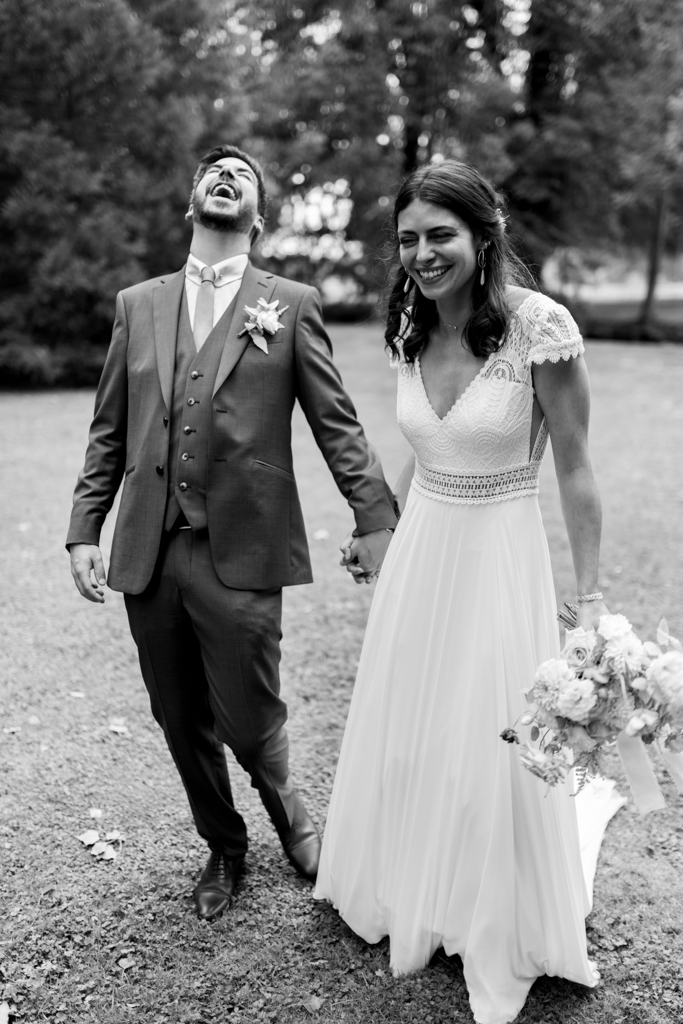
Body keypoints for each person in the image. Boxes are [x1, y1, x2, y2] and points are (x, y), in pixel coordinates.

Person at [314, 160, 623, 1024]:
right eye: (407, 239)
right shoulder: (412, 325)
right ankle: (406, 881)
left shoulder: (539, 327)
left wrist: (589, 601)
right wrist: (383, 530)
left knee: (487, 735)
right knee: (415, 723)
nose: (421, 253)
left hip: (497, 559)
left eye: (438, 235)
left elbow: (576, 466)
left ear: (483, 235)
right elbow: (433, 447)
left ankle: (488, 910)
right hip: (421, 557)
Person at [66, 144, 397, 921]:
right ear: (192, 203)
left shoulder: (291, 302)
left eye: (243, 175)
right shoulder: (135, 305)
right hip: (149, 548)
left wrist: (374, 516)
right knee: (179, 718)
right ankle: (224, 845)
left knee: (250, 717)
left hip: (242, 551)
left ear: (259, 214)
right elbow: (108, 430)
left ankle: (294, 818)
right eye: (214, 171)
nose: (227, 176)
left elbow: (336, 423)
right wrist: (85, 528)